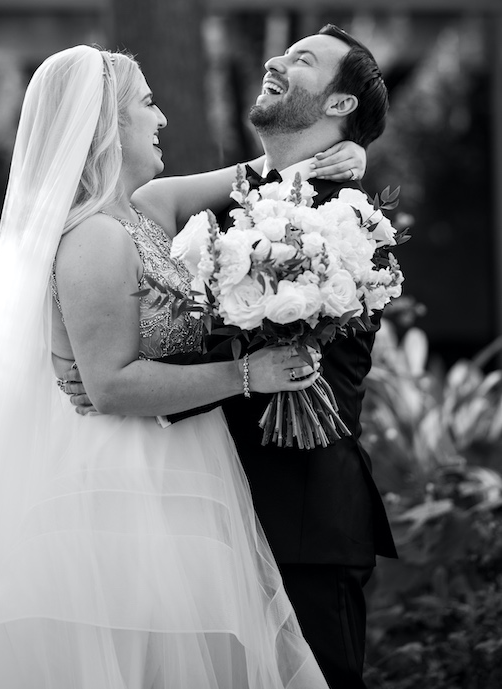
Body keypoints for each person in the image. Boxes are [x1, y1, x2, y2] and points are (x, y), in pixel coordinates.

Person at [0, 45, 366, 688]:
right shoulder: (93, 238)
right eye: (146, 103)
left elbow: (267, 171)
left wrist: (351, 154)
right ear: (108, 125)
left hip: (181, 463)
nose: (161, 117)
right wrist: (248, 375)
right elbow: (109, 385)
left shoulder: (146, 211)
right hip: (121, 483)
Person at [65, 25, 398, 689]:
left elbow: (271, 351)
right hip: (206, 517)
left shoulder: (350, 222)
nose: (275, 59)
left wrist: (127, 376)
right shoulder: (248, 200)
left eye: (302, 60)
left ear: (339, 106)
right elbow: (144, 207)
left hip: (299, 524)